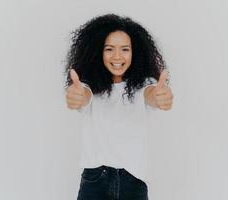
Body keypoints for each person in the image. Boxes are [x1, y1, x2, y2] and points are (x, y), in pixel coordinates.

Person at [64, 14, 173, 200]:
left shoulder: (144, 84)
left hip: (134, 180)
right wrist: (76, 96)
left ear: (135, 52)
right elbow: (83, 95)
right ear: (98, 52)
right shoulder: (89, 84)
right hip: (95, 179)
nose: (117, 56)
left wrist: (159, 96)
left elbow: (151, 94)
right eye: (109, 49)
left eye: (125, 49)